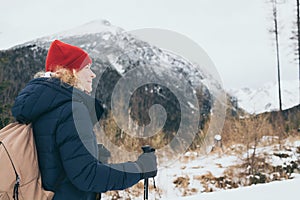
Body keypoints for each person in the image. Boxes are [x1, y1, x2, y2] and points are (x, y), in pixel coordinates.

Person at [11, 40, 157, 200]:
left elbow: (51, 157)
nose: (93, 74)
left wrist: (92, 153)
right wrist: (140, 168)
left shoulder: (44, 105)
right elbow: (88, 177)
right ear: (72, 72)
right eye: (87, 68)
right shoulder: (72, 110)